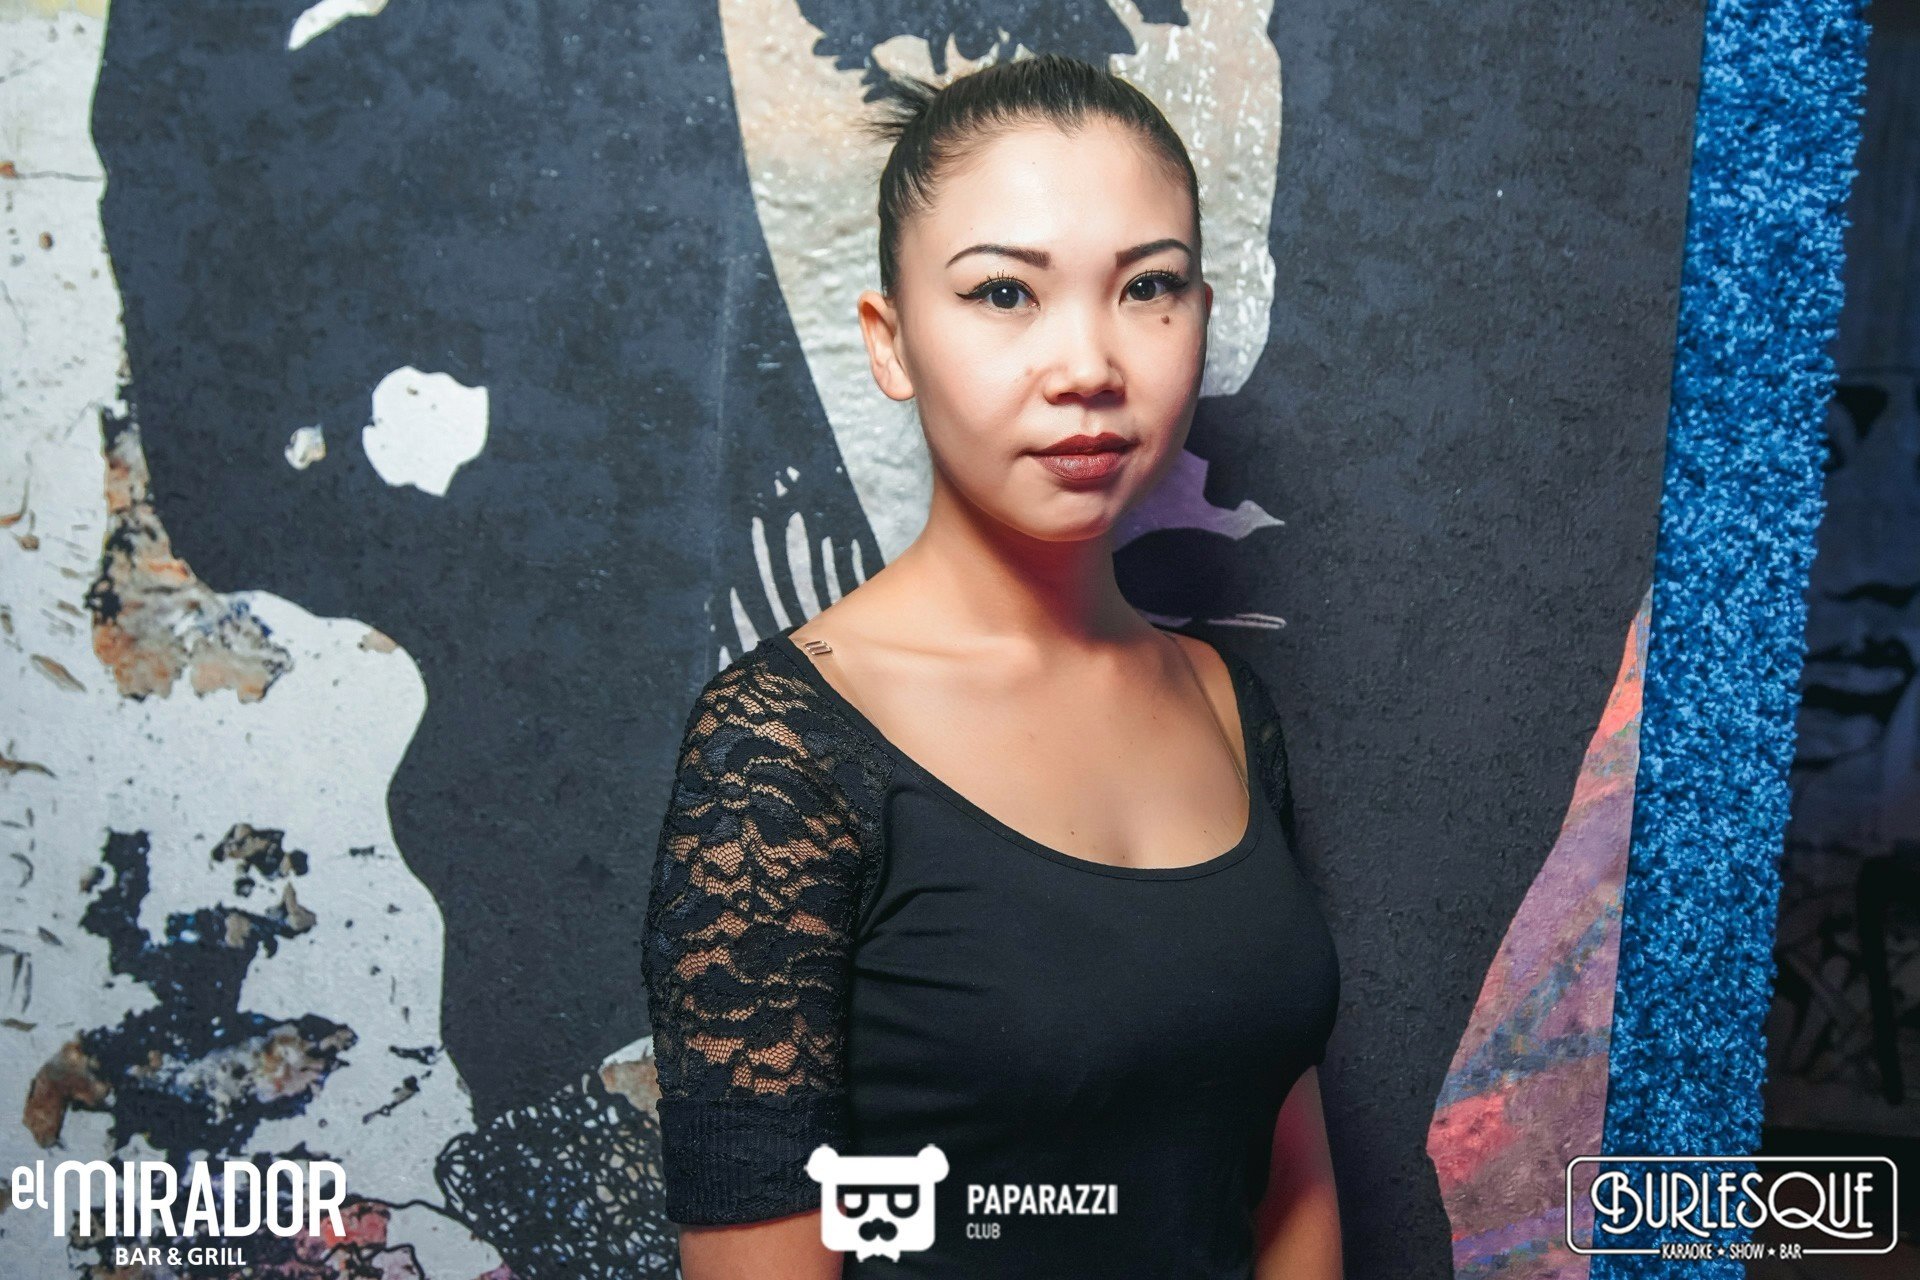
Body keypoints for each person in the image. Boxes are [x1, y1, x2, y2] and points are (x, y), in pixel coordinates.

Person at [640, 53, 1342, 1279]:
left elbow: (1289, 1189)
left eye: (1149, 287)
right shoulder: (781, 750)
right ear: (892, 342)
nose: (1087, 366)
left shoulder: (1228, 706)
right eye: (1005, 292)